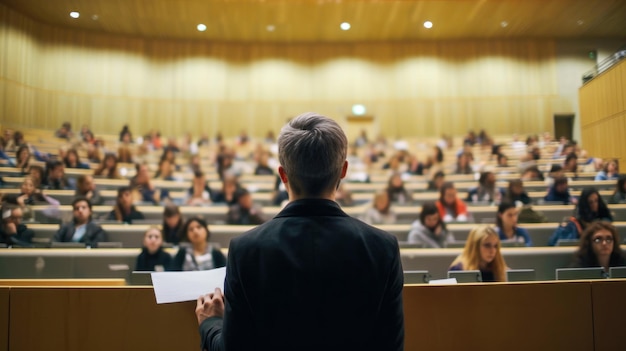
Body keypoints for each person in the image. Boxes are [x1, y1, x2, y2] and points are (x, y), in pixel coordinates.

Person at [195, 112, 404, 350]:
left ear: (282, 174)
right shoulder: (383, 248)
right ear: (343, 171)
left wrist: (210, 323)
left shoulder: (246, 249)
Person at [548, 187, 613, 246]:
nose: (594, 205)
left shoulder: (605, 221)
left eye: (596, 201)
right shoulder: (574, 224)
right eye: (590, 202)